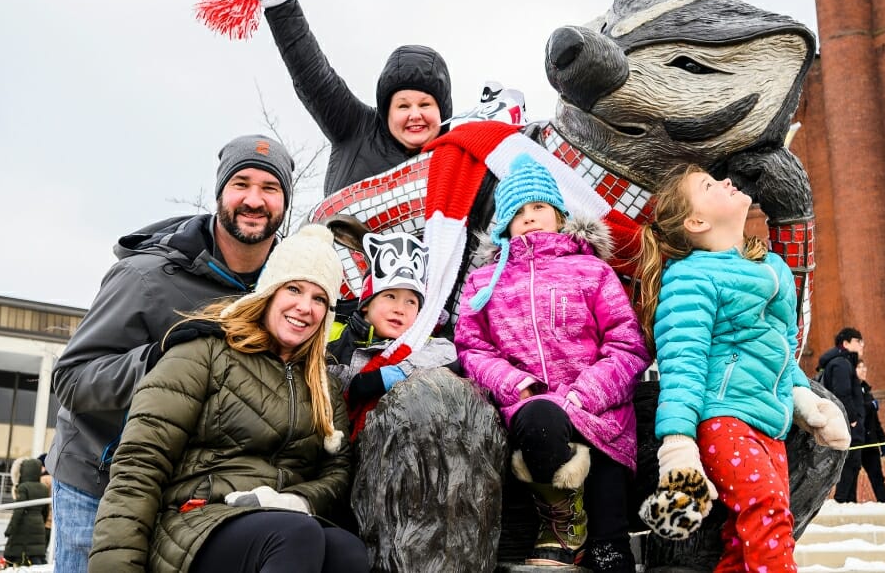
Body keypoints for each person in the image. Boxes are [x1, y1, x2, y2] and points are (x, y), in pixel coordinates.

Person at [47, 134, 295, 573]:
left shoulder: (284, 288)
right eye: (241, 184)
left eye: (269, 188)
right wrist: (155, 356)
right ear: (221, 193)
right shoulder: (144, 277)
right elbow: (71, 380)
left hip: (187, 490)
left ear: (285, 202)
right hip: (99, 479)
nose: (254, 200)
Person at [88, 225, 369, 573]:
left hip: (283, 519)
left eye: (319, 299)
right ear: (268, 292)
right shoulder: (205, 352)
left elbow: (338, 472)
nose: (304, 307)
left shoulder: (321, 382)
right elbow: (141, 462)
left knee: (348, 552)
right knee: (295, 535)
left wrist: (297, 499)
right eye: (293, 289)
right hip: (195, 519)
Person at [634, 164, 850, 573]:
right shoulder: (690, 277)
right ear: (695, 221)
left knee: (741, 538)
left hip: (771, 427)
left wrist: (803, 400)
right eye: (709, 185)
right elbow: (683, 365)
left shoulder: (773, 269)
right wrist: (678, 442)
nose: (727, 182)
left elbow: (783, 350)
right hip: (725, 420)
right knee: (767, 512)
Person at [454, 153, 651, 571]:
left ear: (560, 216)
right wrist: (514, 384)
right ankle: (565, 522)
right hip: (531, 408)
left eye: (539, 207)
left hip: (600, 414)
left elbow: (627, 344)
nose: (529, 217)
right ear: (504, 223)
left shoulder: (591, 270)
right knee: (540, 418)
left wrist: (584, 395)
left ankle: (604, 543)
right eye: (518, 212)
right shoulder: (484, 281)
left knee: (610, 550)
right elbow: (472, 347)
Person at [239, 0, 452, 195]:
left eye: (425, 104)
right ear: (387, 112)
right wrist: (277, 0)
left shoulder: (458, 161)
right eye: (403, 105)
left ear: (443, 112)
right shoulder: (356, 128)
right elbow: (313, 74)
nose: (414, 114)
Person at [326, 230, 458, 438]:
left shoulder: (422, 343)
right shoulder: (335, 339)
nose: (400, 308)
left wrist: (389, 376)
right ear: (366, 305)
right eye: (390, 296)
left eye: (411, 301)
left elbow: (449, 354)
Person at [817, 327, 866, 503]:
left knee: (854, 465)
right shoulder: (840, 364)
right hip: (847, 426)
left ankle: (850, 503)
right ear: (845, 343)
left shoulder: (845, 363)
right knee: (849, 465)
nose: (862, 345)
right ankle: (842, 502)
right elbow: (842, 393)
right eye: (858, 341)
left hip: (851, 426)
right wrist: (852, 419)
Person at [856, 359, 885, 502]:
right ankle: (846, 508)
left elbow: (875, 422)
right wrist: (870, 406)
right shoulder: (851, 392)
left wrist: (882, 441)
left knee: (878, 478)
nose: (864, 370)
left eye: (864, 366)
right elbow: (855, 411)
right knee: (850, 480)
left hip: (870, 443)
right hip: (857, 443)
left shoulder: (867, 391)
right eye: (859, 367)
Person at [4, 457, 50, 567]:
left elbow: (19, 510)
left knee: (17, 553)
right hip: (39, 524)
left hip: (24, 524)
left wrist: (10, 529)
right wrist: (41, 523)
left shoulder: (24, 487)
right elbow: (45, 509)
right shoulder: (43, 488)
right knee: (35, 554)